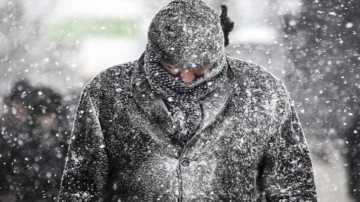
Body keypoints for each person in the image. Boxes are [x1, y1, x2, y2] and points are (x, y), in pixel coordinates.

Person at [58, 0, 317, 201]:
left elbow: (293, 187)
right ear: (153, 54)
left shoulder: (263, 91)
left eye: (200, 67)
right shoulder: (107, 92)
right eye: (172, 66)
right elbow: (81, 187)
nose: (186, 77)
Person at [0, 80, 70, 201]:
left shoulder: (66, 141)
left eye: (50, 114)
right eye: (41, 115)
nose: (46, 120)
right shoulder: (23, 140)